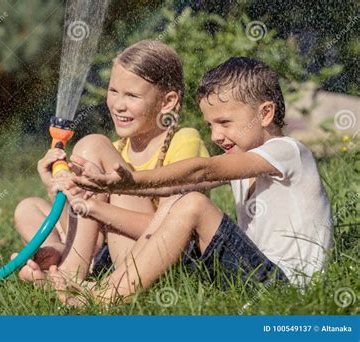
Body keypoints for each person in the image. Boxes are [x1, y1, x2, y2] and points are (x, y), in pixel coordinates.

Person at [66, 57, 333, 303]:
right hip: (250, 277)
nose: (216, 135)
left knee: (195, 204)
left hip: (286, 286)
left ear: (264, 114)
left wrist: (130, 181)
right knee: (178, 199)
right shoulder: (244, 160)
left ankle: (109, 298)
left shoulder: (288, 151)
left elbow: (203, 170)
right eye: (210, 125)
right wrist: (106, 184)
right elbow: (179, 186)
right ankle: (114, 283)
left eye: (225, 122)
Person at [11, 40, 210, 286]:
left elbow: (175, 230)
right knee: (28, 207)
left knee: (93, 144)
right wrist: (60, 190)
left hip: (159, 259)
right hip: (111, 254)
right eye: (113, 91)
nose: (118, 104)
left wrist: (96, 203)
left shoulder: (184, 141)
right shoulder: (117, 150)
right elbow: (92, 236)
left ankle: (68, 275)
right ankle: (53, 258)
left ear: (167, 102)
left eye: (132, 95)